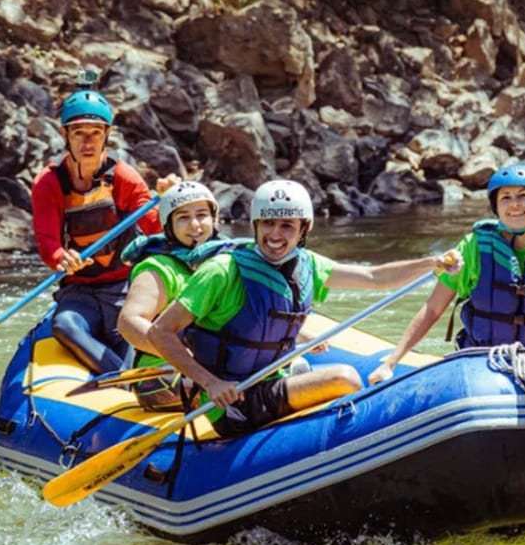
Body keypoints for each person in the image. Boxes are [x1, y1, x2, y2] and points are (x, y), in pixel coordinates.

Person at [147, 179, 462, 438]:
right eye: (268, 223)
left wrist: (431, 264)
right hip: (233, 400)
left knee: (307, 366)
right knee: (345, 377)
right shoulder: (222, 271)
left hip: (271, 379)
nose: (275, 234)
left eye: (287, 225)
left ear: (303, 229)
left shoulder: (308, 265)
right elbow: (161, 332)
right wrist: (209, 382)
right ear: (255, 225)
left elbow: (374, 277)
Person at [368, 163, 525, 384]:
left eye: (523, 196)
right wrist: (391, 361)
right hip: (485, 363)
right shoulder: (474, 247)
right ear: (495, 206)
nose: (515, 204)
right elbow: (433, 309)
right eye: (505, 198)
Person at [30, 83, 166, 374]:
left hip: (124, 290)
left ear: (107, 135)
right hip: (79, 292)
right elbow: (47, 241)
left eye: (95, 132)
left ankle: (125, 381)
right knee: (64, 325)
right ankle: (123, 380)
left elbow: (157, 227)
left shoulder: (124, 178)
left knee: (131, 338)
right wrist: (59, 258)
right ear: (65, 135)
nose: (87, 141)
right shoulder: (49, 183)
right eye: (78, 132)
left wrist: (169, 203)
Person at [117, 180, 232, 412]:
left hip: (215, 363)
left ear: (214, 219)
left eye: (202, 214)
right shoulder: (157, 268)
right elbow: (128, 322)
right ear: (168, 226)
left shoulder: (224, 262)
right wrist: (184, 357)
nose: (195, 225)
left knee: (296, 368)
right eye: (183, 217)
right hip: (164, 375)